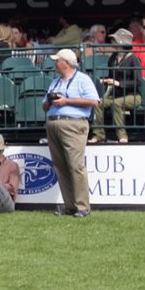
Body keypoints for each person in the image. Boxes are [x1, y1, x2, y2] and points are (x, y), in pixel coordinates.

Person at [43, 48, 100, 219]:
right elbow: (44, 106)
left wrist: (66, 100)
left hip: (73, 124)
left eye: (57, 60)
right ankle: (70, 205)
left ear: (66, 63)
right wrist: (50, 101)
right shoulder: (55, 82)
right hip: (53, 122)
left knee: (75, 165)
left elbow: (94, 101)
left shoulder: (83, 79)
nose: (54, 63)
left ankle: (83, 206)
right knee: (60, 166)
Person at [90, 28, 143, 144]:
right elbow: (112, 76)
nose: (113, 42)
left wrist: (119, 83)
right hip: (116, 94)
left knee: (116, 104)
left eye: (115, 40)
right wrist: (107, 81)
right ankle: (99, 134)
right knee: (98, 103)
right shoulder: (113, 58)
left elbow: (138, 82)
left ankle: (122, 136)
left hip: (133, 95)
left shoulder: (134, 59)